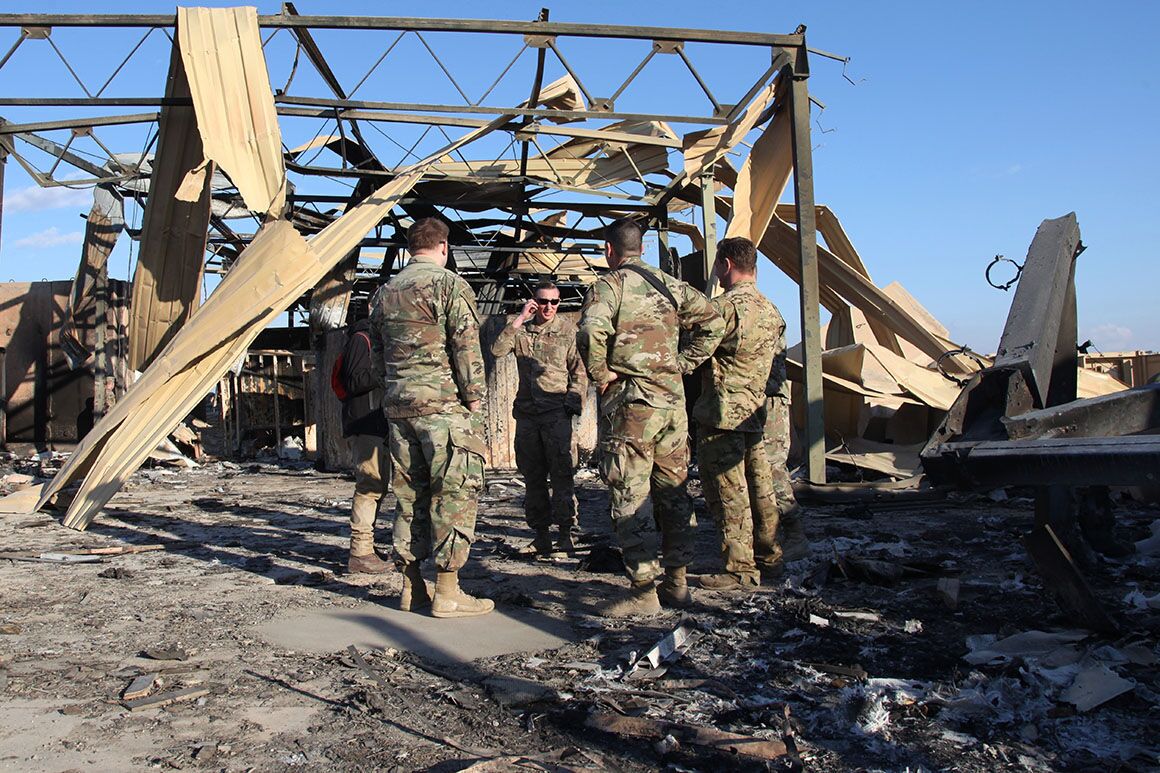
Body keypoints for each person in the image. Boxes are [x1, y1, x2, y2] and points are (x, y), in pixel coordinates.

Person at [578, 218, 724, 617]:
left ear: (610, 250)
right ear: (641, 248)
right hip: (672, 407)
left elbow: (590, 332)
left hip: (633, 409)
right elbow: (714, 322)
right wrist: (681, 363)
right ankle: (677, 583)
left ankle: (643, 589)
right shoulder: (671, 286)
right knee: (674, 491)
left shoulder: (609, 286)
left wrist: (602, 375)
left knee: (630, 493)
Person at [368, 217, 493, 618]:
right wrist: (475, 401)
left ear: (410, 248)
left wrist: (394, 389)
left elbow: (376, 357)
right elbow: (467, 348)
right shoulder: (449, 285)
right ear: (443, 247)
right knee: (453, 494)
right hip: (442, 408)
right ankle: (448, 593)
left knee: (409, 497)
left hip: (399, 406)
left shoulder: (384, 293)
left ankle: (411, 589)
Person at [694, 237, 786, 589]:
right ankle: (770, 557)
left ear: (726, 265)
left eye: (718, 263)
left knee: (728, 492)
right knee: (761, 489)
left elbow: (696, 352)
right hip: (754, 414)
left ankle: (739, 569)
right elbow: (777, 370)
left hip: (722, 415)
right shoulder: (771, 310)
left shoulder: (722, 309)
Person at [491, 279, 586, 555]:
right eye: (543, 301)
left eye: (554, 302)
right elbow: (497, 350)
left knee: (562, 476)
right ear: (534, 302)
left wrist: (571, 404)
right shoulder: (522, 332)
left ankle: (566, 534)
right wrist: (520, 319)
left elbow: (579, 372)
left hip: (556, 414)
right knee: (533, 477)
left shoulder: (568, 332)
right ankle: (541, 535)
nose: (548, 307)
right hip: (528, 416)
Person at [338, 301, 392, 574]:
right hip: (365, 423)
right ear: (372, 306)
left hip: (376, 423)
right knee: (369, 486)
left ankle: (366, 548)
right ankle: (360, 553)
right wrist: (387, 369)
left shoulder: (378, 338)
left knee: (377, 487)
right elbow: (355, 381)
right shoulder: (362, 339)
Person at [764, 331, 810, 561]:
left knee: (772, 470)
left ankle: (794, 535)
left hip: (765, 399)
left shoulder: (758, 311)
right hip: (757, 398)